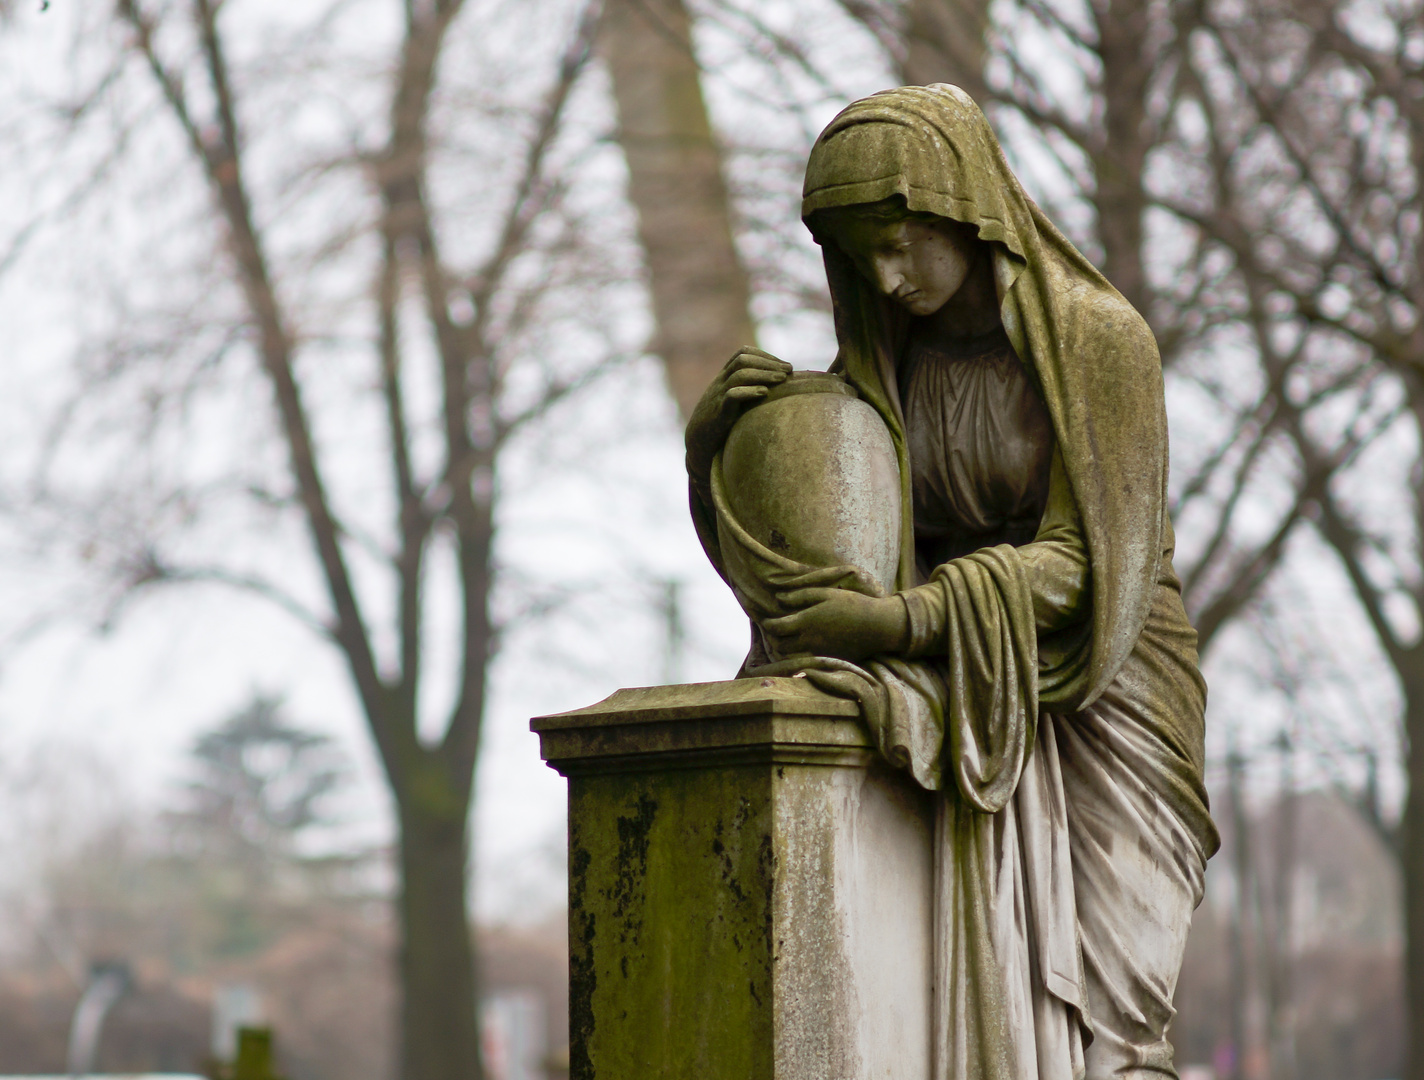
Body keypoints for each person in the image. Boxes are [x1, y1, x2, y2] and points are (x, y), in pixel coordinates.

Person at [685, 85, 1219, 1080]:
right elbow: (808, 569)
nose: (884, 278)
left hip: (1105, 676)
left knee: (1115, 1014)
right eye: (857, 255)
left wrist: (900, 620)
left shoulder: (1099, 343)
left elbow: (1086, 561)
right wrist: (716, 448)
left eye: (898, 241)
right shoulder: (880, 374)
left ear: (964, 209)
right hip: (961, 673)